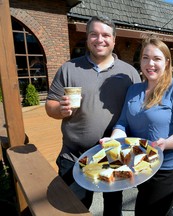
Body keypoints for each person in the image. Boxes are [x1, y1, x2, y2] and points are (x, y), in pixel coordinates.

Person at [45, 15, 141, 211]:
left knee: (113, 209)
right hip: (74, 156)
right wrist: (60, 110)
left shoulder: (129, 73)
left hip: (114, 156)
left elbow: (138, 112)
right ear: (87, 38)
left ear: (114, 40)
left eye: (106, 35)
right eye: (94, 34)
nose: (100, 39)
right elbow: (50, 105)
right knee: (73, 208)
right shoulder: (68, 69)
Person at [100, 38, 173, 215]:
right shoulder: (134, 90)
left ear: (166, 63)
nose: (150, 63)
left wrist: (165, 143)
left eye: (157, 58)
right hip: (141, 166)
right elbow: (123, 122)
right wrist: (113, 141)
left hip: (168, 169)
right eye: (145, 57)